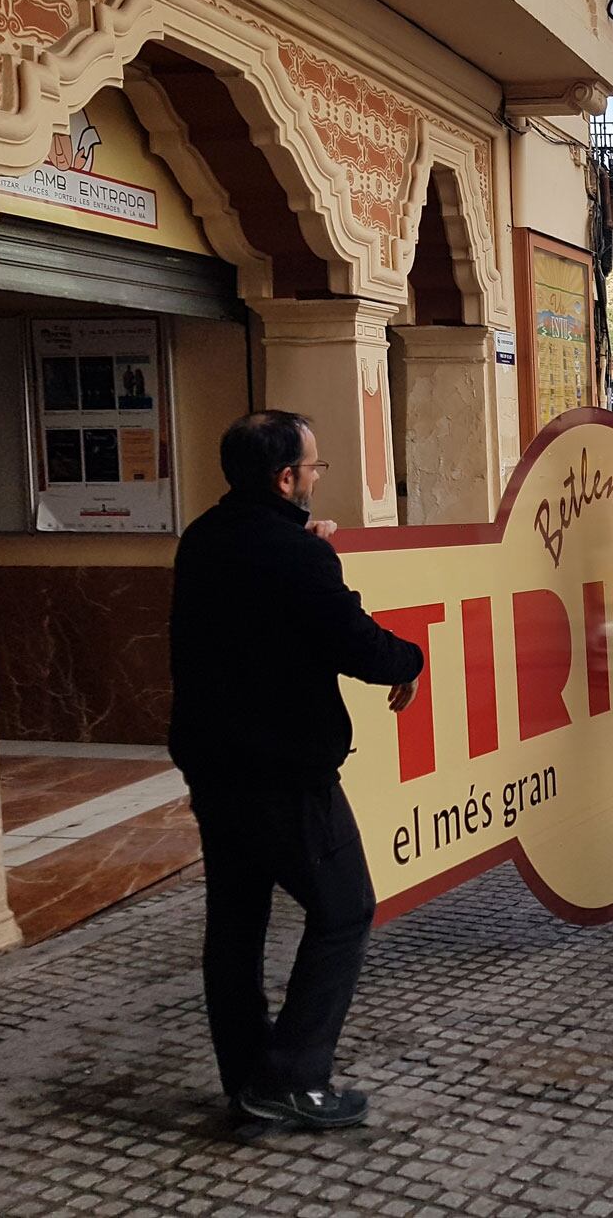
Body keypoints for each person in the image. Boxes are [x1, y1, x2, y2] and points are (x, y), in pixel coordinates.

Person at [170, 410, 424, 1130]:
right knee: (345, 909)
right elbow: (357, 643)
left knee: (237, 923)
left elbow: (264, 615)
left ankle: (246, 1085)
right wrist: (410, 661)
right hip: (285, 772)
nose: (316, 477)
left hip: (212, 766)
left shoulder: (204, 539)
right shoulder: (297, 554)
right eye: (313, 467)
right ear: (286, 478)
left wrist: (308, 550)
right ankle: (291, 1077)